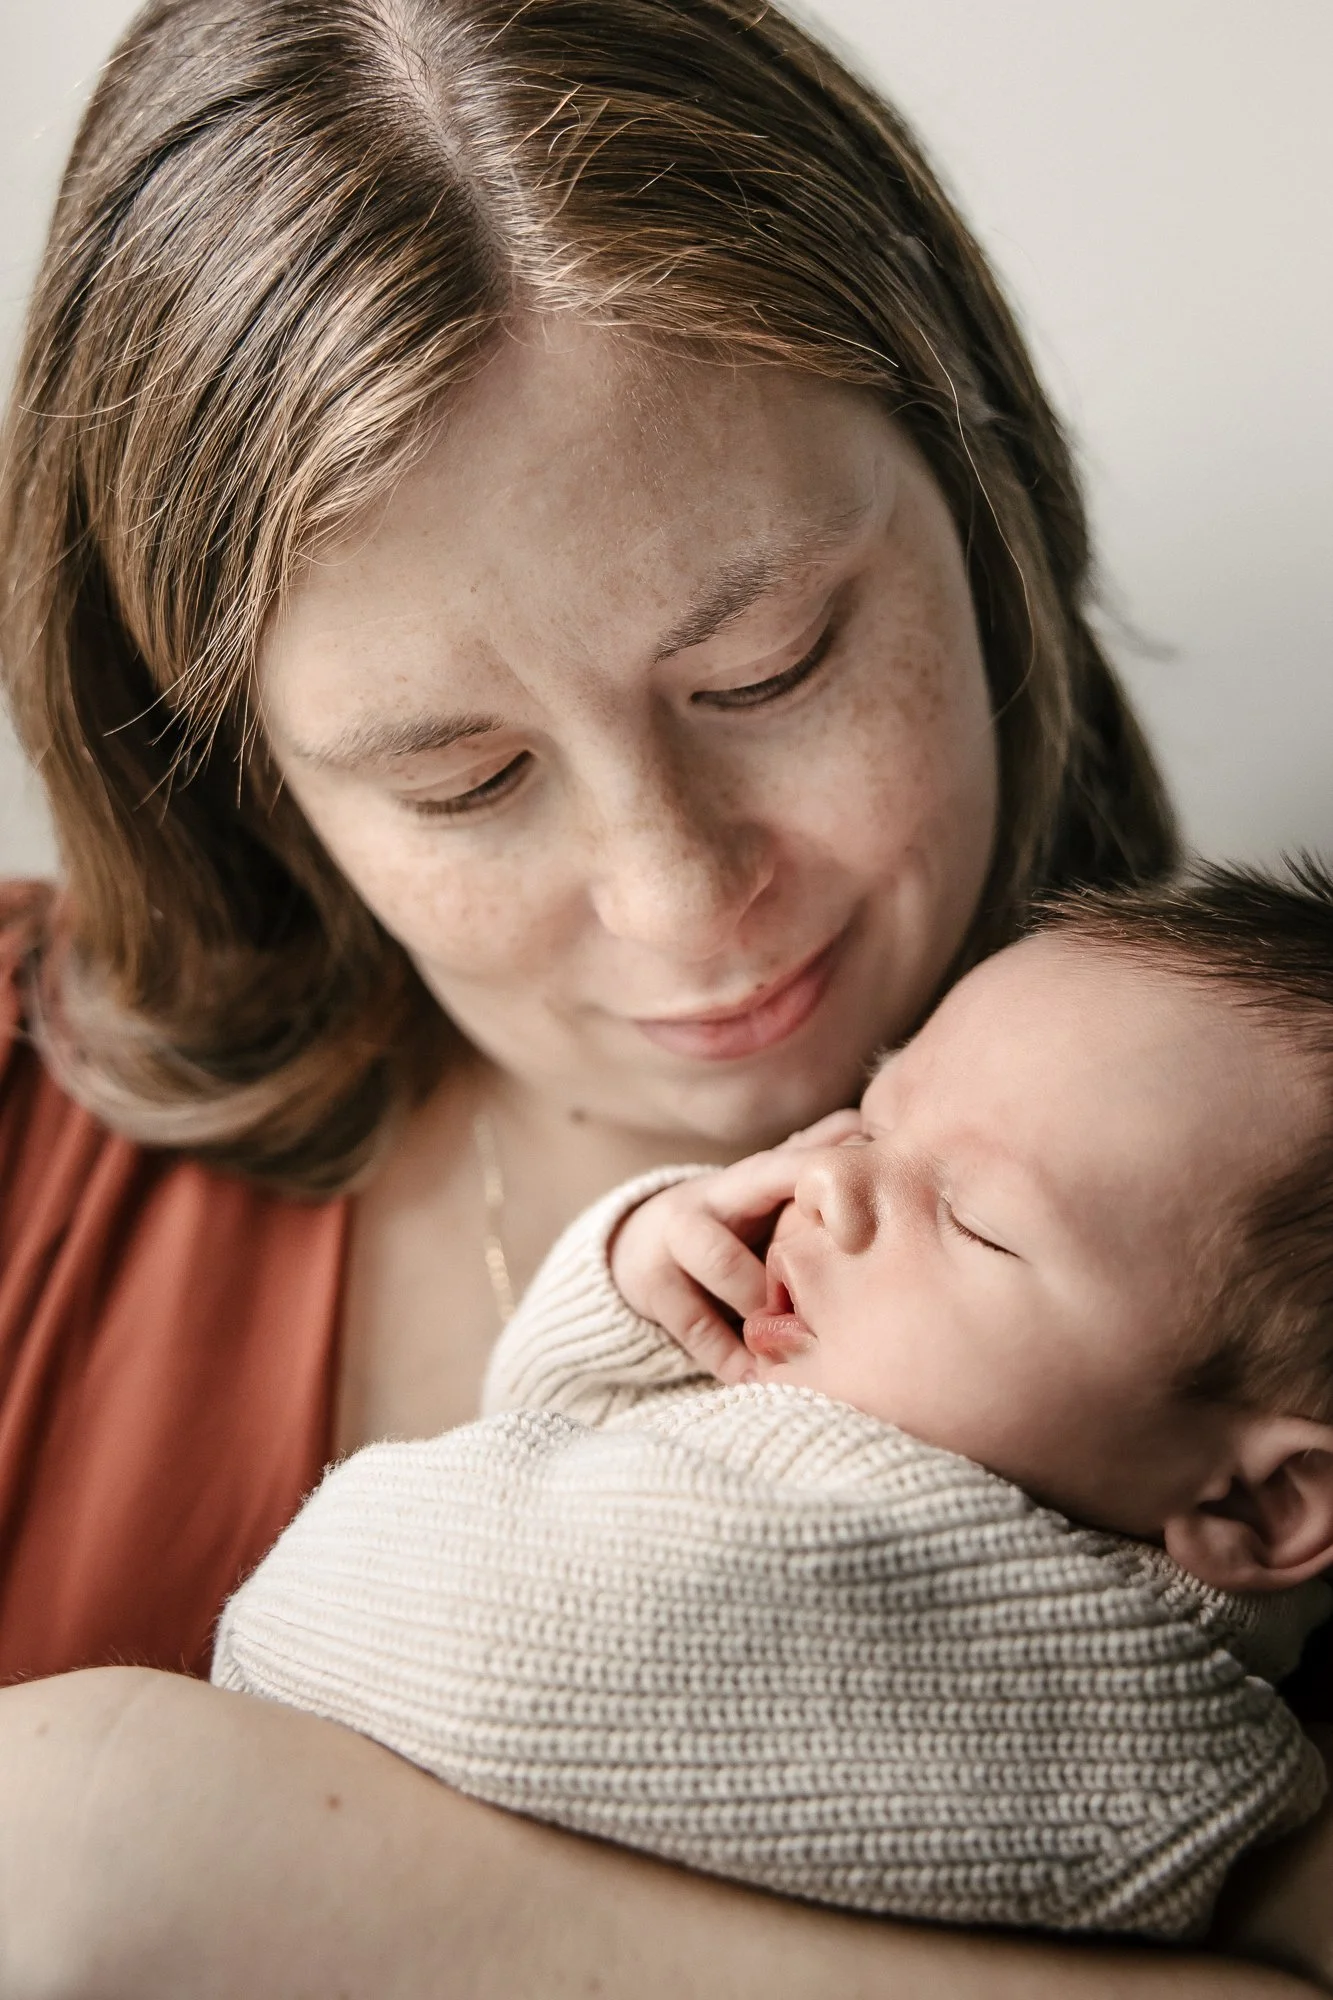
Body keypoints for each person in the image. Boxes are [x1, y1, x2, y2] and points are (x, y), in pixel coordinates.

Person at [0, 0, 1327, 1991]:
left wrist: (186, 1848)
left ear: (978, 511)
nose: (680, 893)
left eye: (768, 666)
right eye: (461, 776)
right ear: (238, 768)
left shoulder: (1262, 1255)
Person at [212, 863, 1333, 1942]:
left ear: (1263, 1503)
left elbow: (483, 1628)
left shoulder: (1126, 1721)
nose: (825, 1180)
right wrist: (640, 1277)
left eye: (976, 1217)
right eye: (870, 1114)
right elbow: (543, 1420)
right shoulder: (890, 1430)